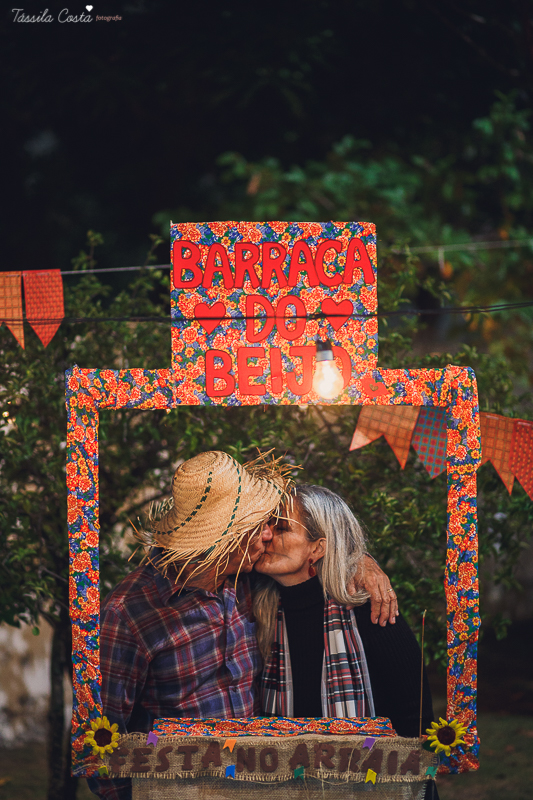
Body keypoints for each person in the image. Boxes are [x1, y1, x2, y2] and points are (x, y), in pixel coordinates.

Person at [88, 452, 396, 800]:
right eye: (259, 526)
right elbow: (101, 738)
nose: (268, 536)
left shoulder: (249, 584)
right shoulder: (130, 612)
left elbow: (320, 553)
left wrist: (362, 563)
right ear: (224, 538)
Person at [253, 484, 438, 798]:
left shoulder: (367, 609)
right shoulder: (257, 607)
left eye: (282, 528)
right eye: (267, 526)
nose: (267, 535)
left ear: (317, 548)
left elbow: (415, 720)